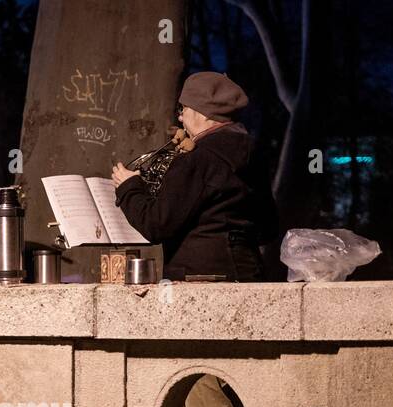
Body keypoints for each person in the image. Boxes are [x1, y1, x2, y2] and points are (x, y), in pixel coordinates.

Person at [111, 71, 275, 282]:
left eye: (184, 109)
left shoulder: (199, 159)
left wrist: (129, 186)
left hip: (201, 279)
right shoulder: (252, 153)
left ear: (204, 113)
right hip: (249, 272)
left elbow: (156, 225)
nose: (180, 117)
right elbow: (269, 227)